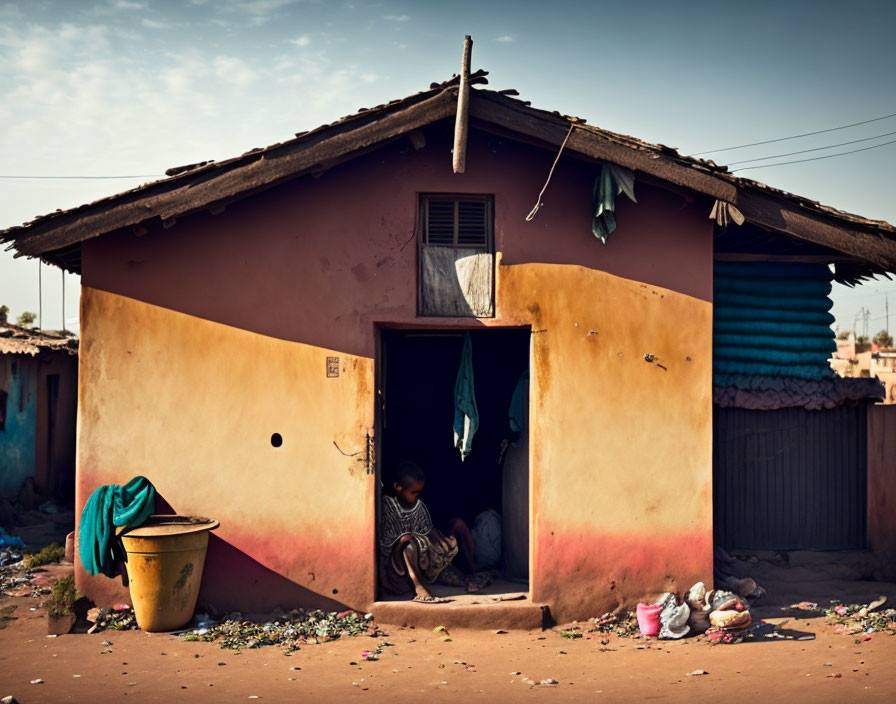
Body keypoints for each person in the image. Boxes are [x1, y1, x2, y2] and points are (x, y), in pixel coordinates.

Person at [379, 461, 470, 603]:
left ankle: (468, 571)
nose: (416, 496)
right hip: (397, 561)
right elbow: (386, 540)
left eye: (418, 493)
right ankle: (417, 585)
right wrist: (406, 537)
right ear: (397, 487)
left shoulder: (419, 506)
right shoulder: (388, 505)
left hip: (419, 556)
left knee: (441, 540)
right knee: (406, 542)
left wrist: (433, 538)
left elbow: (426, 531)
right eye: (413, 493)